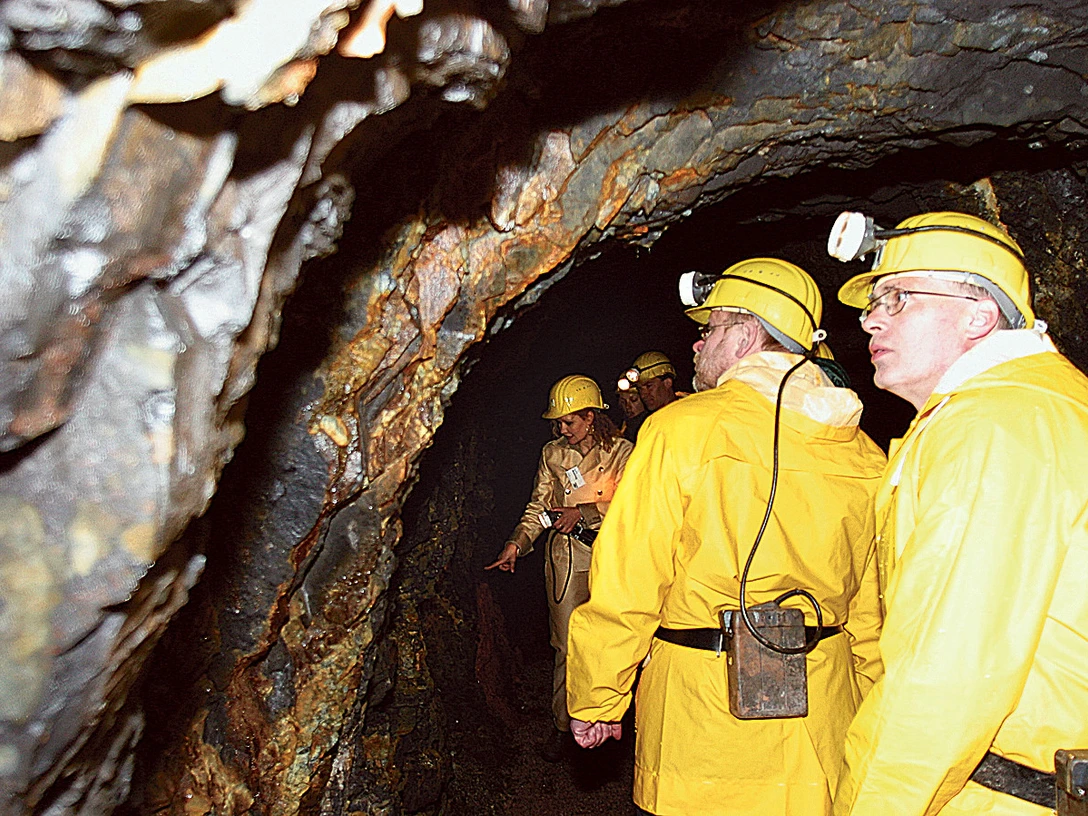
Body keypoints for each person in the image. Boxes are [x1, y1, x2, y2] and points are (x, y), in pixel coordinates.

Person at [566, 258, 887, 815]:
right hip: (824, 717)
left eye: (708, 329)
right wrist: (876, 706)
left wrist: (599, 694)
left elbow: (631, 577)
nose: (696, 345)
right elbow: (872, 609)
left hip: (705, 721)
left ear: (744, 335)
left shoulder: (678, 431)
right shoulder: (863, 453)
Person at [827, 210, 1088, 815]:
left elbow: (945, 675)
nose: (869, 318)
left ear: (979, 313)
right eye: (872, 302)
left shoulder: (995, 426)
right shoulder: (1044, 403)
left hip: (1002, 796)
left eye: (897, 297)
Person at [486, 374, 634, 762]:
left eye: (568, 421)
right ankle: (564, 727)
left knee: (615, 640)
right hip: (566, 558)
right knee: (567, 645)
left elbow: (635, 504)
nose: (561, 429)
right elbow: (538, 507)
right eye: (558, 423)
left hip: (611, 556)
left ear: (590, 415)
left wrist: (584, 512)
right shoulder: (554, 455)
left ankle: (615, 723)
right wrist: (517, 543)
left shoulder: (623, 452)